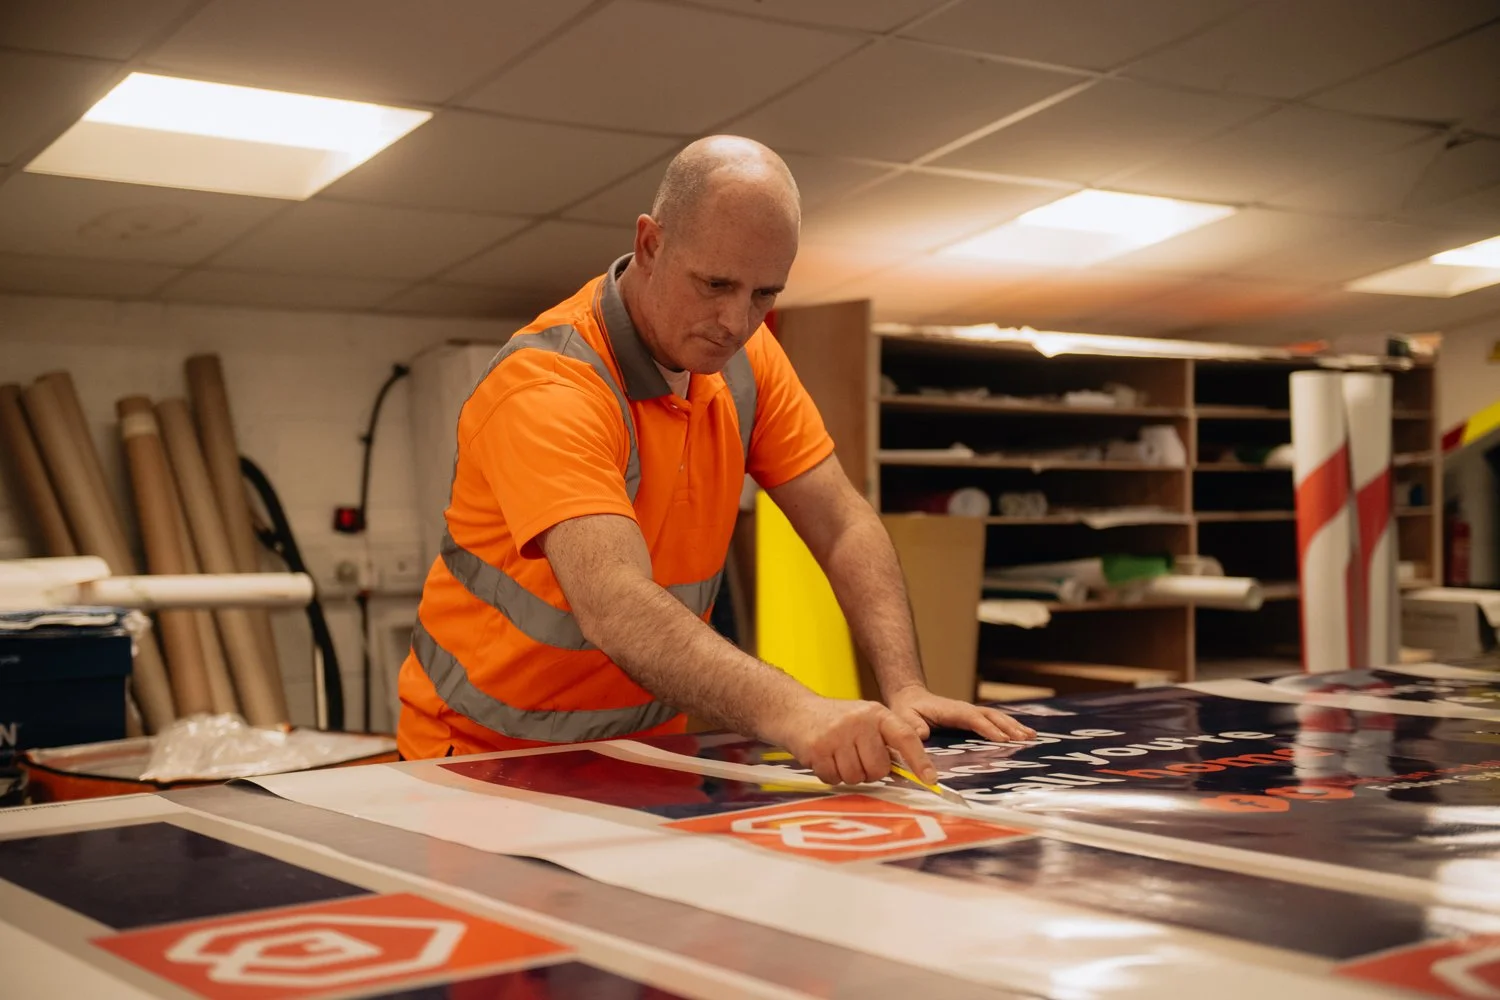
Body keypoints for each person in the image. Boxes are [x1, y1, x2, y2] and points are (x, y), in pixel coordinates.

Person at [396, 135, 1035, 785]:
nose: (735, 321)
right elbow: (615, 603)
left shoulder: (746, 364)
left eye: (764, 294)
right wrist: (801, 713)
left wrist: (907, 687)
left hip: (646, 746)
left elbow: (842, 522)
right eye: (715, 284)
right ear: (650, 244)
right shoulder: (549, 386)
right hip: (482, 754)